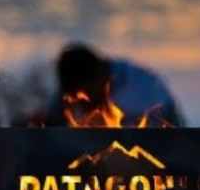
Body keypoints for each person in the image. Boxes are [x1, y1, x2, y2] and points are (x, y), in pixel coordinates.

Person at [43, 42, 185, 127]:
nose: (83, 101)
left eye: (86, 94)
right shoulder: (70, 92)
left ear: (99, 74)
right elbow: (51, 122)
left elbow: (173, 126)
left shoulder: (141, 87)